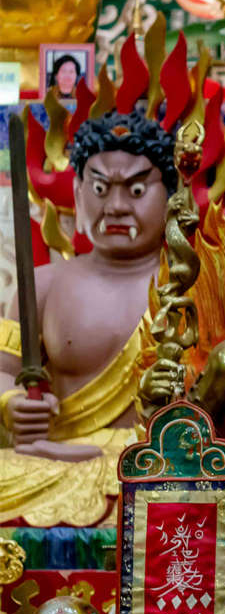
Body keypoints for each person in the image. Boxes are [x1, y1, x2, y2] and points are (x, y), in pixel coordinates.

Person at [0, 110, 176, 525]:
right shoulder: (42, 286)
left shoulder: (192, 287)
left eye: (136, 190)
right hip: (59, 458)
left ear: (171, 196)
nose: (115, 207)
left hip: (160, 465)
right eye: (99, 188)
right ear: (78, 194)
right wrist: (12, 404)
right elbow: (4, 370)